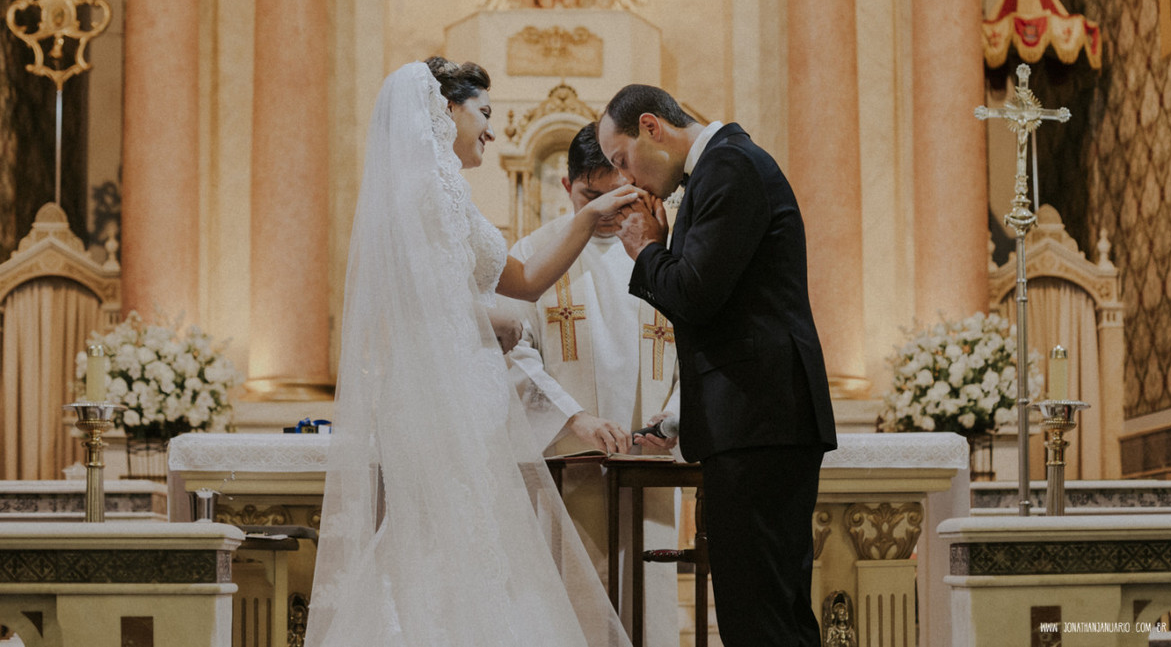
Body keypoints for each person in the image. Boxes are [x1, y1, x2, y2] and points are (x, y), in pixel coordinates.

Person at [304, 59, 641, 647]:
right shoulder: (421, 190)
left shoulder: (450, 193)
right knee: (443, 538)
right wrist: (489, 318)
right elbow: (413, 297)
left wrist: (589, 217)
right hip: (437, 396)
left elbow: (526, 280)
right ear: (446, 111)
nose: (491, 129)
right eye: (483, 113)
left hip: (465, 391)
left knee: (469, 539)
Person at [596, 84, 838, 647]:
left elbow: (696, 295)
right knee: (768, 616)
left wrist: (647, 249)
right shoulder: (723, 167)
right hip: (757, 422)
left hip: (760, 426)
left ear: (651, 127)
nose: (625, 178)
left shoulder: (729, 166)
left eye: (622, 160)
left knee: (760, 622)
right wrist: (683, 417)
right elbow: (726, 312)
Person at [499, 123, 680, 646]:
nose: (605, 211)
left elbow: (698, 346)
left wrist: (675, 416)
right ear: (566, 186)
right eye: (590, 197)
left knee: (646, 604)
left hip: (649, 464)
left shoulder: (662, 252)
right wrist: (573, 418)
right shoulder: (534, 255)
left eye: (618, 196)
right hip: (568, 464)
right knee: (573, 601)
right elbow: (512, 353)